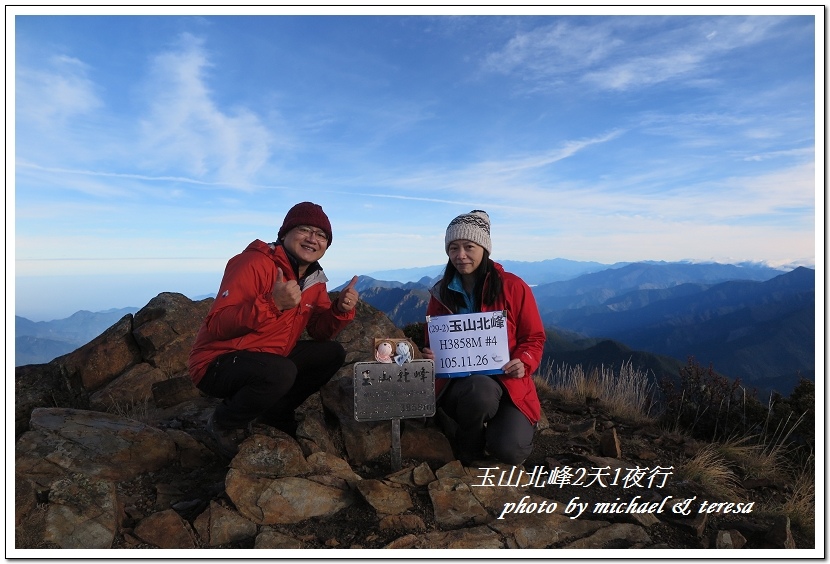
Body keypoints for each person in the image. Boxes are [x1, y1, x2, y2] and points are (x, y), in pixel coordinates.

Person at [188, 201, 360, 457]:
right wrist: (272, 304)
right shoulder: (253, 263)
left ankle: (276, 412)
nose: (313, 239)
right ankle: (224, 422)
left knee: (331, 353)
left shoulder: (313, 279)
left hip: (269, 360)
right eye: (305, 229)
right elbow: (217, 324)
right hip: (216, 363)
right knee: (281, 371)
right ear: (285, 233)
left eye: (322, 235)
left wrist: (339, 310)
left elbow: (319, 332)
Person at [421, 210, 546, 466]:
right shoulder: (441, 294)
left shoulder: (513, 287)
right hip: (461, 386)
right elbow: (431, 342)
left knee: (511, 451)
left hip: (509, 382)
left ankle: (492, 428)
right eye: (453, 248)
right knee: (481, 391)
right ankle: (469, 446)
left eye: (469, 246)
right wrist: (431, 354)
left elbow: (533, 338)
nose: (460, 255)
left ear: (484, 248)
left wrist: (524, 361)